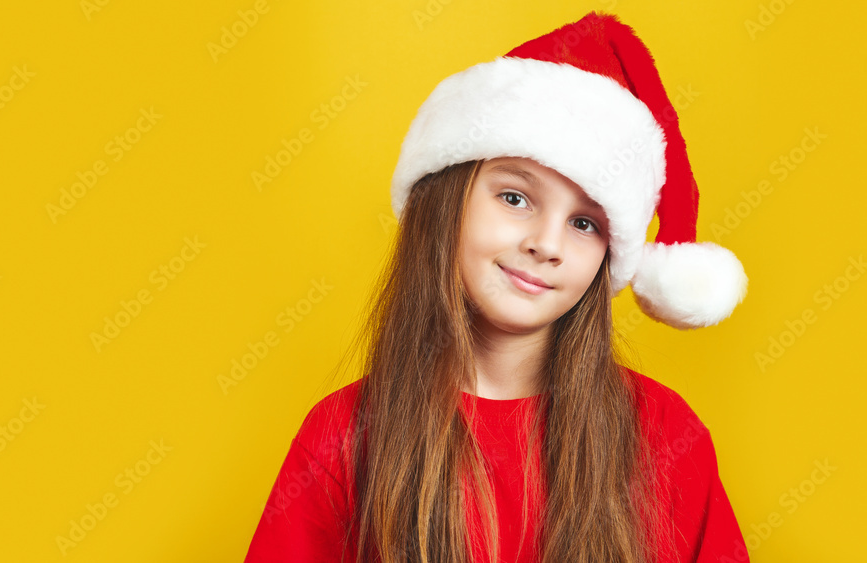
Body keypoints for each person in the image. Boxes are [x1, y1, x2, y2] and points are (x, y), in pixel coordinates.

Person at [245, 11, 750, 563]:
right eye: (515, 198)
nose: (546, 243)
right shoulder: (343, 438)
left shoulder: (665, 437)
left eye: (585, 223)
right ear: (449, 201)